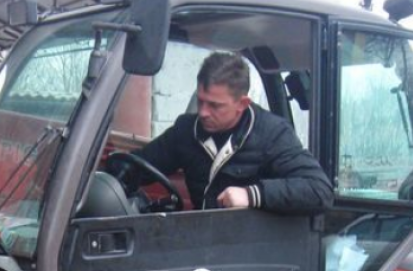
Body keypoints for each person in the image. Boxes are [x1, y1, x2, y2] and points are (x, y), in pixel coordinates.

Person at [116, 52, 333, 214]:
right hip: (200, 243)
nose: (203, 112)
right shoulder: (186, 131)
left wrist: (252, 195)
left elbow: (319, 190)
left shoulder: (272, 134)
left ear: (242, 103)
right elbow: (139, 166)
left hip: (251, 251)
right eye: (200, 101)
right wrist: (113, 175)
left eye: (215, 105)